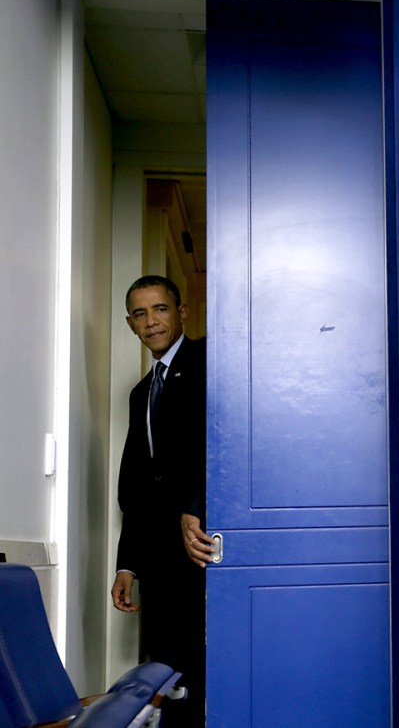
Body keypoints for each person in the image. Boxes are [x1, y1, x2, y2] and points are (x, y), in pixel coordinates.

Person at [110, 275, 213, 727]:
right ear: (130, 324)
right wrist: (127, 564)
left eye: (160, 309)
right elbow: (136, 484)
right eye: (139, 313)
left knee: (203, 663)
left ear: (182, 312)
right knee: (167, 672)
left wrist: (199, 504)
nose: (150, 321)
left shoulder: (212, 360)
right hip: (156, 557)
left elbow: (228, 445)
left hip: (201, 544)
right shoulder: (140, 392)